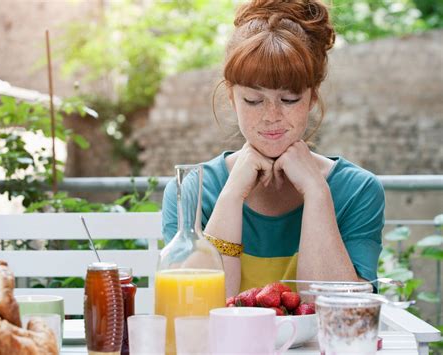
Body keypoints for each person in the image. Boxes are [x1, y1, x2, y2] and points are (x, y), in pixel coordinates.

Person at [162, 0, 385, 298]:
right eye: (253, 100)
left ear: (312, 98)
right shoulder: (193, 191)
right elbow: (197, 309)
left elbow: (341, 312)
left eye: (290, 99)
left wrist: (317, 194)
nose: (271, 116)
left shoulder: (357, 190)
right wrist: (231, 196)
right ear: (231, 98)